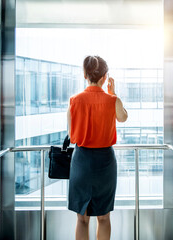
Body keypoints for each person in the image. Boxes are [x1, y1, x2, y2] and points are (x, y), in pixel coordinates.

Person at [67, 55, 128, 240]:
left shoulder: (74, 100)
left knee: (82, 218)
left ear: (85, 75)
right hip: (105, 163)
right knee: (104, 217)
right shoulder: (112, 100)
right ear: (105, 77)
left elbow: (71, 135)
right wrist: (112, 93)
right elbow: (123, 117)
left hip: (81, 161)